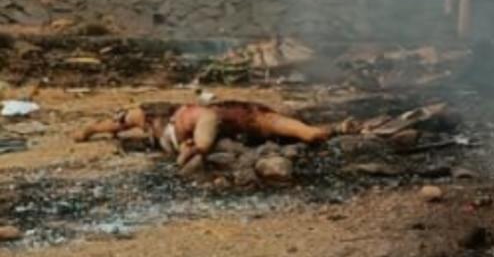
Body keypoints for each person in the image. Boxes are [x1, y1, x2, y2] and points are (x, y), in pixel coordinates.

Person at [80, 101, 334, 172]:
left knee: (300, 132)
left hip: (244, 118)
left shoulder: (186, 115)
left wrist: (201, 145)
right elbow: (117, 123)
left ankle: (325, 131)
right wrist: (90, 130)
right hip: (237, 137)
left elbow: (208, 118)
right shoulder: (147, 118)